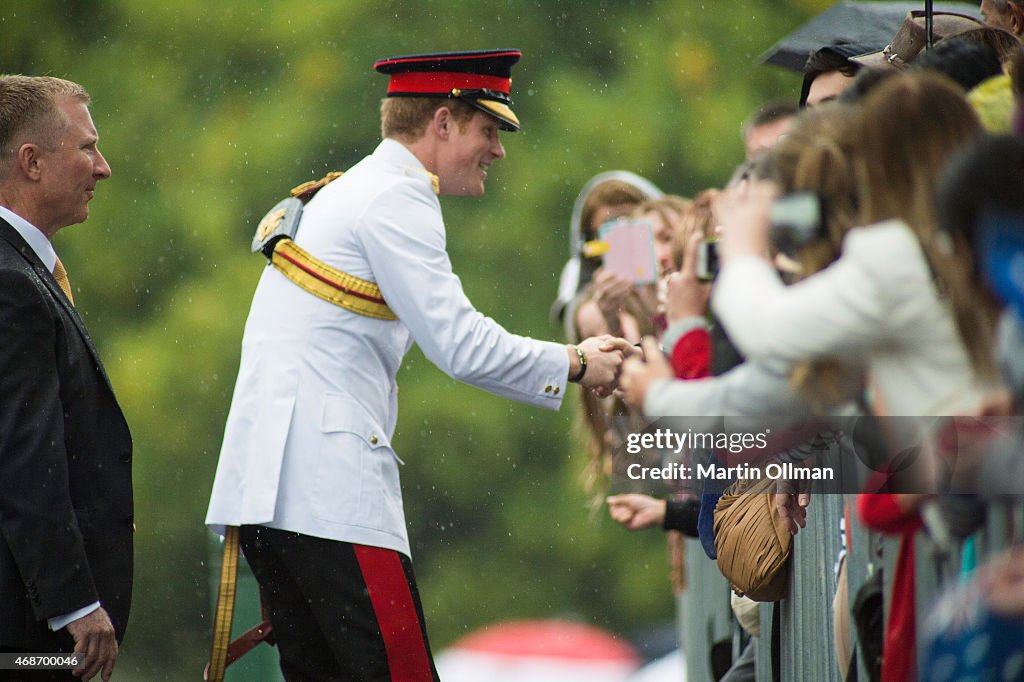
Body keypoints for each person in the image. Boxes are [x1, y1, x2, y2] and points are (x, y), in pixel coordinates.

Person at [205, 49, 631, 681]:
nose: (499, 150)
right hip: (329, 491)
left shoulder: (349, 190)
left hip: (272, 492)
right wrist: (574, 361)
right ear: (442, 123)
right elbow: (459, 344)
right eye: (488, 130)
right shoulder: (396, 197)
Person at [0, 76, 131, 682]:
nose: (102, 168)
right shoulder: (11, 284)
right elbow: (24, 456)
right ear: (31, 162)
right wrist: (74, 603)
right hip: (26, 628)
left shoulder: (25, 271)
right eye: (86, 148)